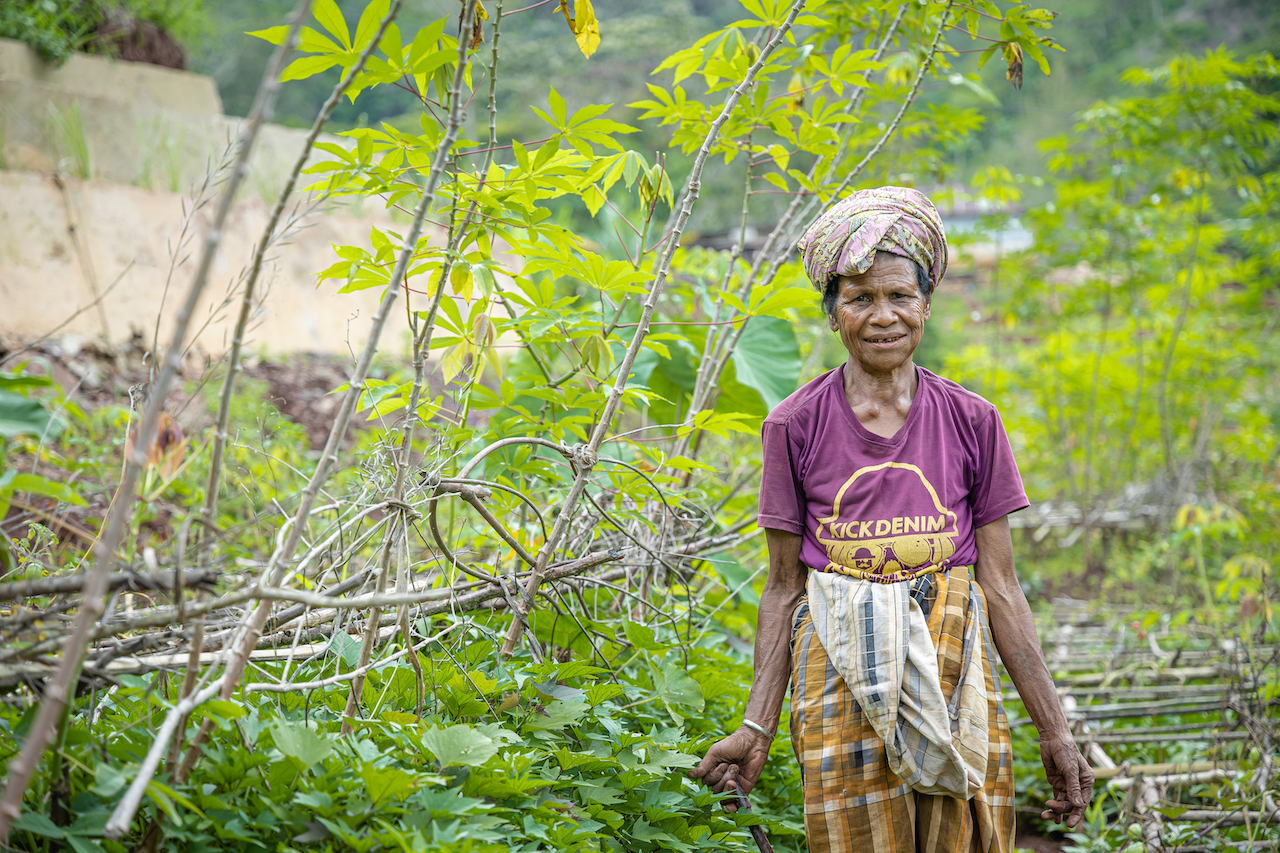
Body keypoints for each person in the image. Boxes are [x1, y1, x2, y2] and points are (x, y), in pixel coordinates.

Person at [690, 187, 1093, 853]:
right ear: (833, 313)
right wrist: (756, 726)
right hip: (839, 680)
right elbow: (785, 588)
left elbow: (1001, 584)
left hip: (954, 673)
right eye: (860, 298)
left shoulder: (972, 420)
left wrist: (1054, 728)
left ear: (926, 305)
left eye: (900, 296)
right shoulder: (794, 425)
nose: (884, 316)